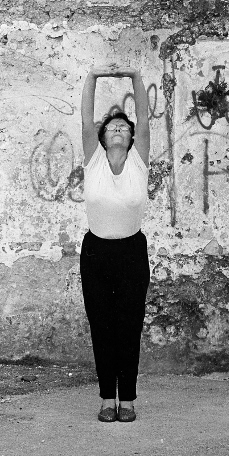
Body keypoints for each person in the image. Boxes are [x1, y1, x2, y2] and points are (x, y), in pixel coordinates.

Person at [80, 66, 150, 422]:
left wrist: (133, 75)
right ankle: (108, 397)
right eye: (112, 126)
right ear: (103, 136)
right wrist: (94, 76)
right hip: (95, 253)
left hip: (132, 252)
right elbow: (86, 115)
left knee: (129, 324)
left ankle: (129, 400)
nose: (119, 127)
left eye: (124, 125)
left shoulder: (140, 161)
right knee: (102, 326)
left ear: (132, 136)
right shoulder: (93, 160)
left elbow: (144, 112)